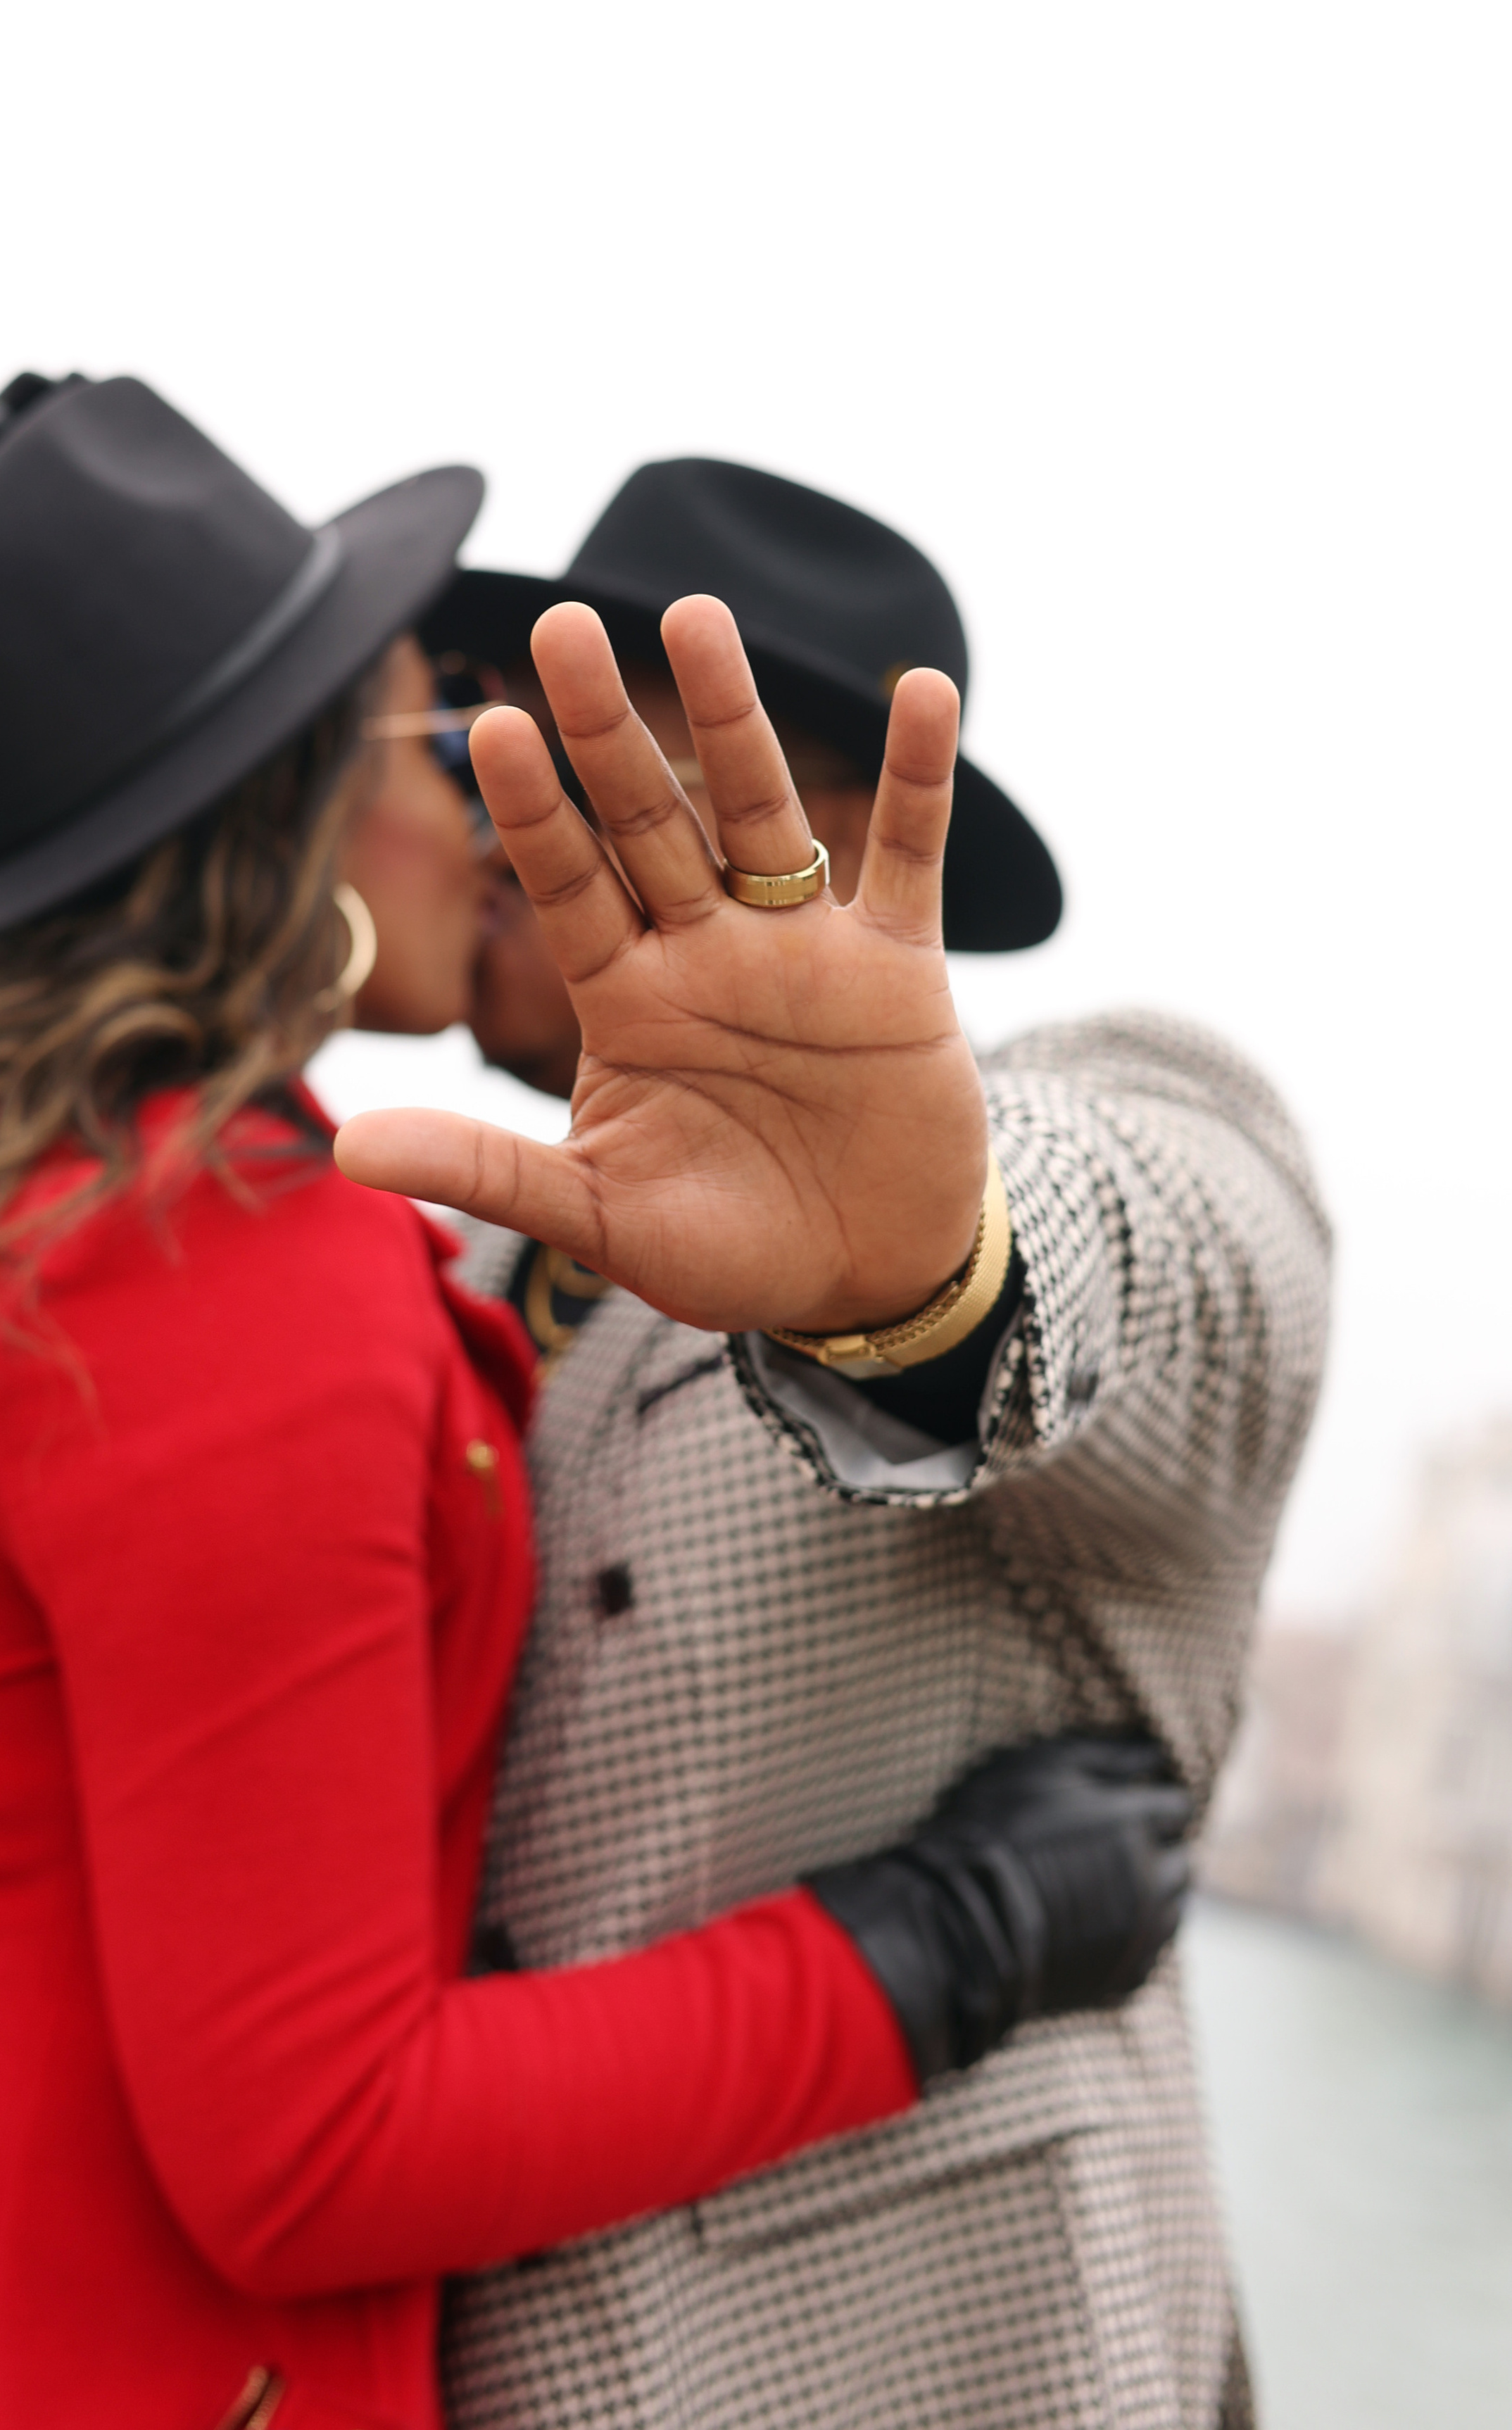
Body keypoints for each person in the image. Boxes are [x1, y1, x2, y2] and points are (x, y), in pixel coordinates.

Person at [0, 379, 1192, 2430]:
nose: (507, 813)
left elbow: (1154, 1242)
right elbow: (318, 2145)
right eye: (462, 726)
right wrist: (938, 1939)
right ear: (291, 785)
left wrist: (923, 1285)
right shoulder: (211, 1270)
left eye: (621, 770)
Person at [350, 461, 1333, 2430]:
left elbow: (1167, 1262)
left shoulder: (1104, 1114)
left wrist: (926, 1276)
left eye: (512, 760)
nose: (465, 832)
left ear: (761, 811)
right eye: (463, 766)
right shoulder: (444, 1259)